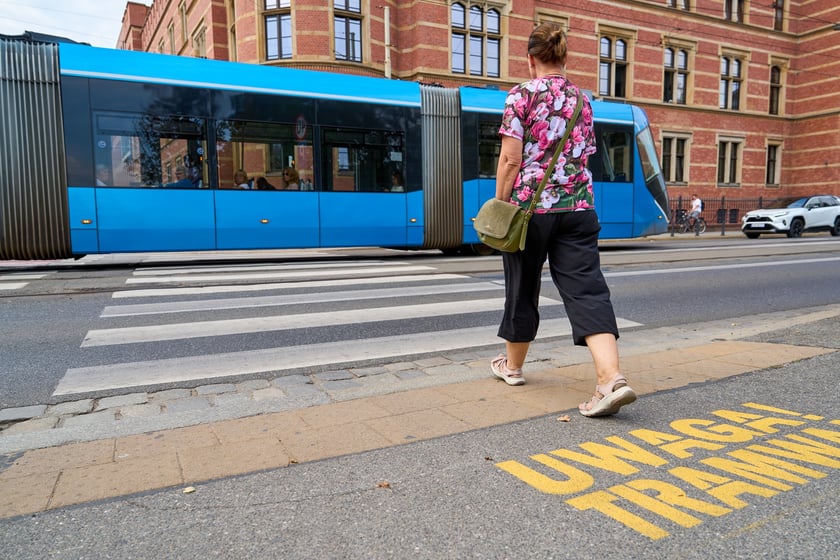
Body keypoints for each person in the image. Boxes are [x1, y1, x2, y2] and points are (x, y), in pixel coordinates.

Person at [490, 22, 636, 418]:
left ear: (530, 58)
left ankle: (514, 368)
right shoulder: (583, 100)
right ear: (565, 57)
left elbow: (510, 159)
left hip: (530, 210)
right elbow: (583, 154)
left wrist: (501, 203)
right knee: (587, 290)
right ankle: (611, 379)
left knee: (522, 287)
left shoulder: (521, 95)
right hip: (578, 208)